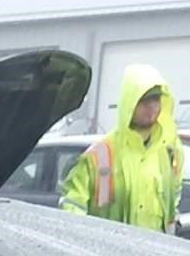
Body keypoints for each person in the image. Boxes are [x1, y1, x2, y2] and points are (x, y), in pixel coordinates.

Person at [62, 65, 183, 232]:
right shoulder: (99, 155)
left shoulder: (169, 152)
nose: (151, 106)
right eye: (144, 100)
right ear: (130, 103)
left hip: (156, 253)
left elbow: (174, 197)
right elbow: (73, 206)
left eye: (155, 99)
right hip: (109, 253)